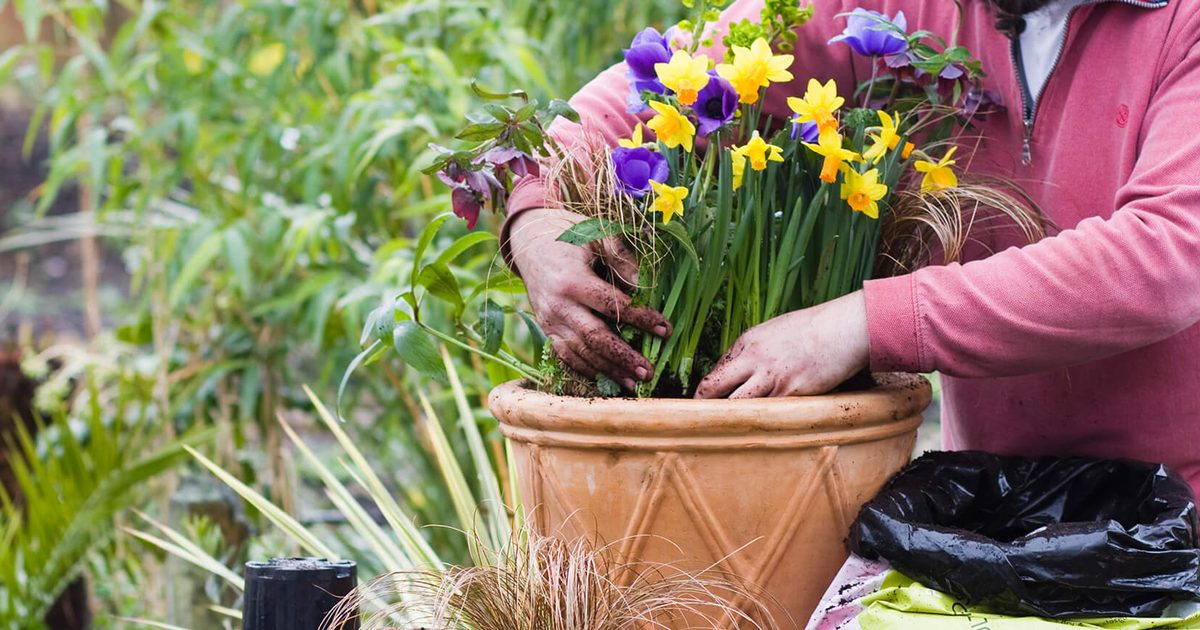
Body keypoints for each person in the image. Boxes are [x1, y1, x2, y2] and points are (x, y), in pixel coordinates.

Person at [501, 0, 1200, 490]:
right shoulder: (892, 9)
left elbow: (1166, 257)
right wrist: (534, 217)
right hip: (986, 491)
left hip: (1181, 516)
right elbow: (655, 83)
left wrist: (863, 323)